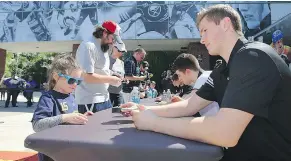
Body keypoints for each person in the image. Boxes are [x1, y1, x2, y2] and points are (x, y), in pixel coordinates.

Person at [121, 4, 291, 161]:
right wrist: (144, 110)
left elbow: (224, 132)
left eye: (204, 31)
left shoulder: (253, 57)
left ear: (225, 24)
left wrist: (153, 123)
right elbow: (189, 106)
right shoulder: (223, 66)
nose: (202, 39)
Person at [31, 53, 93, 161]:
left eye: (78, 81)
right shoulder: (48, 98)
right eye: (72, 80)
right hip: (51, 154)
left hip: (67, 150)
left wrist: (80, 117)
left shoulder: (71, 97)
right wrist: (65, 118)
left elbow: (69, 118)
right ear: (56, 76)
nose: (75, 85)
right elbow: (37, 125)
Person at [75, 20, 123, 114]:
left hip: (104, 98)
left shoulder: (102, 47)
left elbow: (100, 69)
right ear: (105, 33)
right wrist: (111, 79)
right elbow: (87, 77)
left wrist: (113, 74)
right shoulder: (89, 46)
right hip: (90, 100)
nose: (113, 42)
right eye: (112, 38)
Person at [108, 41, 127, 108]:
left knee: (119, 113)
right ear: (114, 48)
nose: (121, 53)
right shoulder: (106, 60)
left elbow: (122, 75)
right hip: (108, 93)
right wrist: (113, 74)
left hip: (119, 92)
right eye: (119, 50)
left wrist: (125, 79)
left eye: (123, 51)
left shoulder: (121, 62)